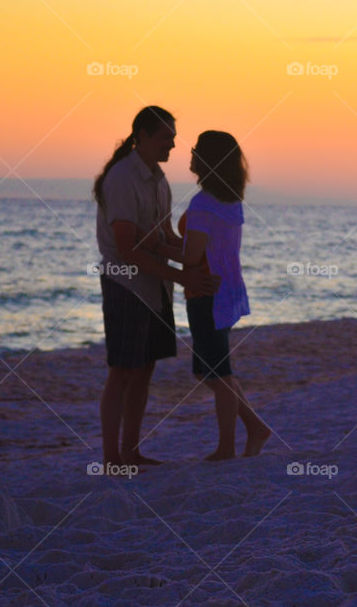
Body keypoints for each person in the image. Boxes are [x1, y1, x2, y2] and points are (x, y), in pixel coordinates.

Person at [93, 106, 220, 468]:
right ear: (143, 136)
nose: (173, 146)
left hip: (156, 286)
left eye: (174, 138)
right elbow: (127, 248)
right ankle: (111, 459)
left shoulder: (158, 178)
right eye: (167, 138)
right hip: (126, 286)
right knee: (122, 371)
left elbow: (161, 236)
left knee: (144, 370)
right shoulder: (121, 178)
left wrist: (200, 258)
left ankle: (131, 452)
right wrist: (184, 276)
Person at [179, 130, 271, 461]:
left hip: (207, 294)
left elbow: (192, 257)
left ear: (207, 159)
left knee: (216, 373)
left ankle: (227, 447)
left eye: (195, 149)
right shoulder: (231, 200)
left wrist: (157, 247)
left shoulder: (203, 203)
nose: (189, 154)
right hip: (227, 291)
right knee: (211, 370)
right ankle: (255, 427)